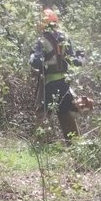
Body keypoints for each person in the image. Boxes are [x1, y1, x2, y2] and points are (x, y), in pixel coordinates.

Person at [29, 8, 86, 141]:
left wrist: (31, 56)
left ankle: (41, 144)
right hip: (64, 84)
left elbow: (36, 63)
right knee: (66, 114)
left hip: (48, 84)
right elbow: (75, 61)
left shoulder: (42, 40)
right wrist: (82, 57)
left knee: (42, 114)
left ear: (42, 24)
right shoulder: (65, 37)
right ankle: (75, 145)